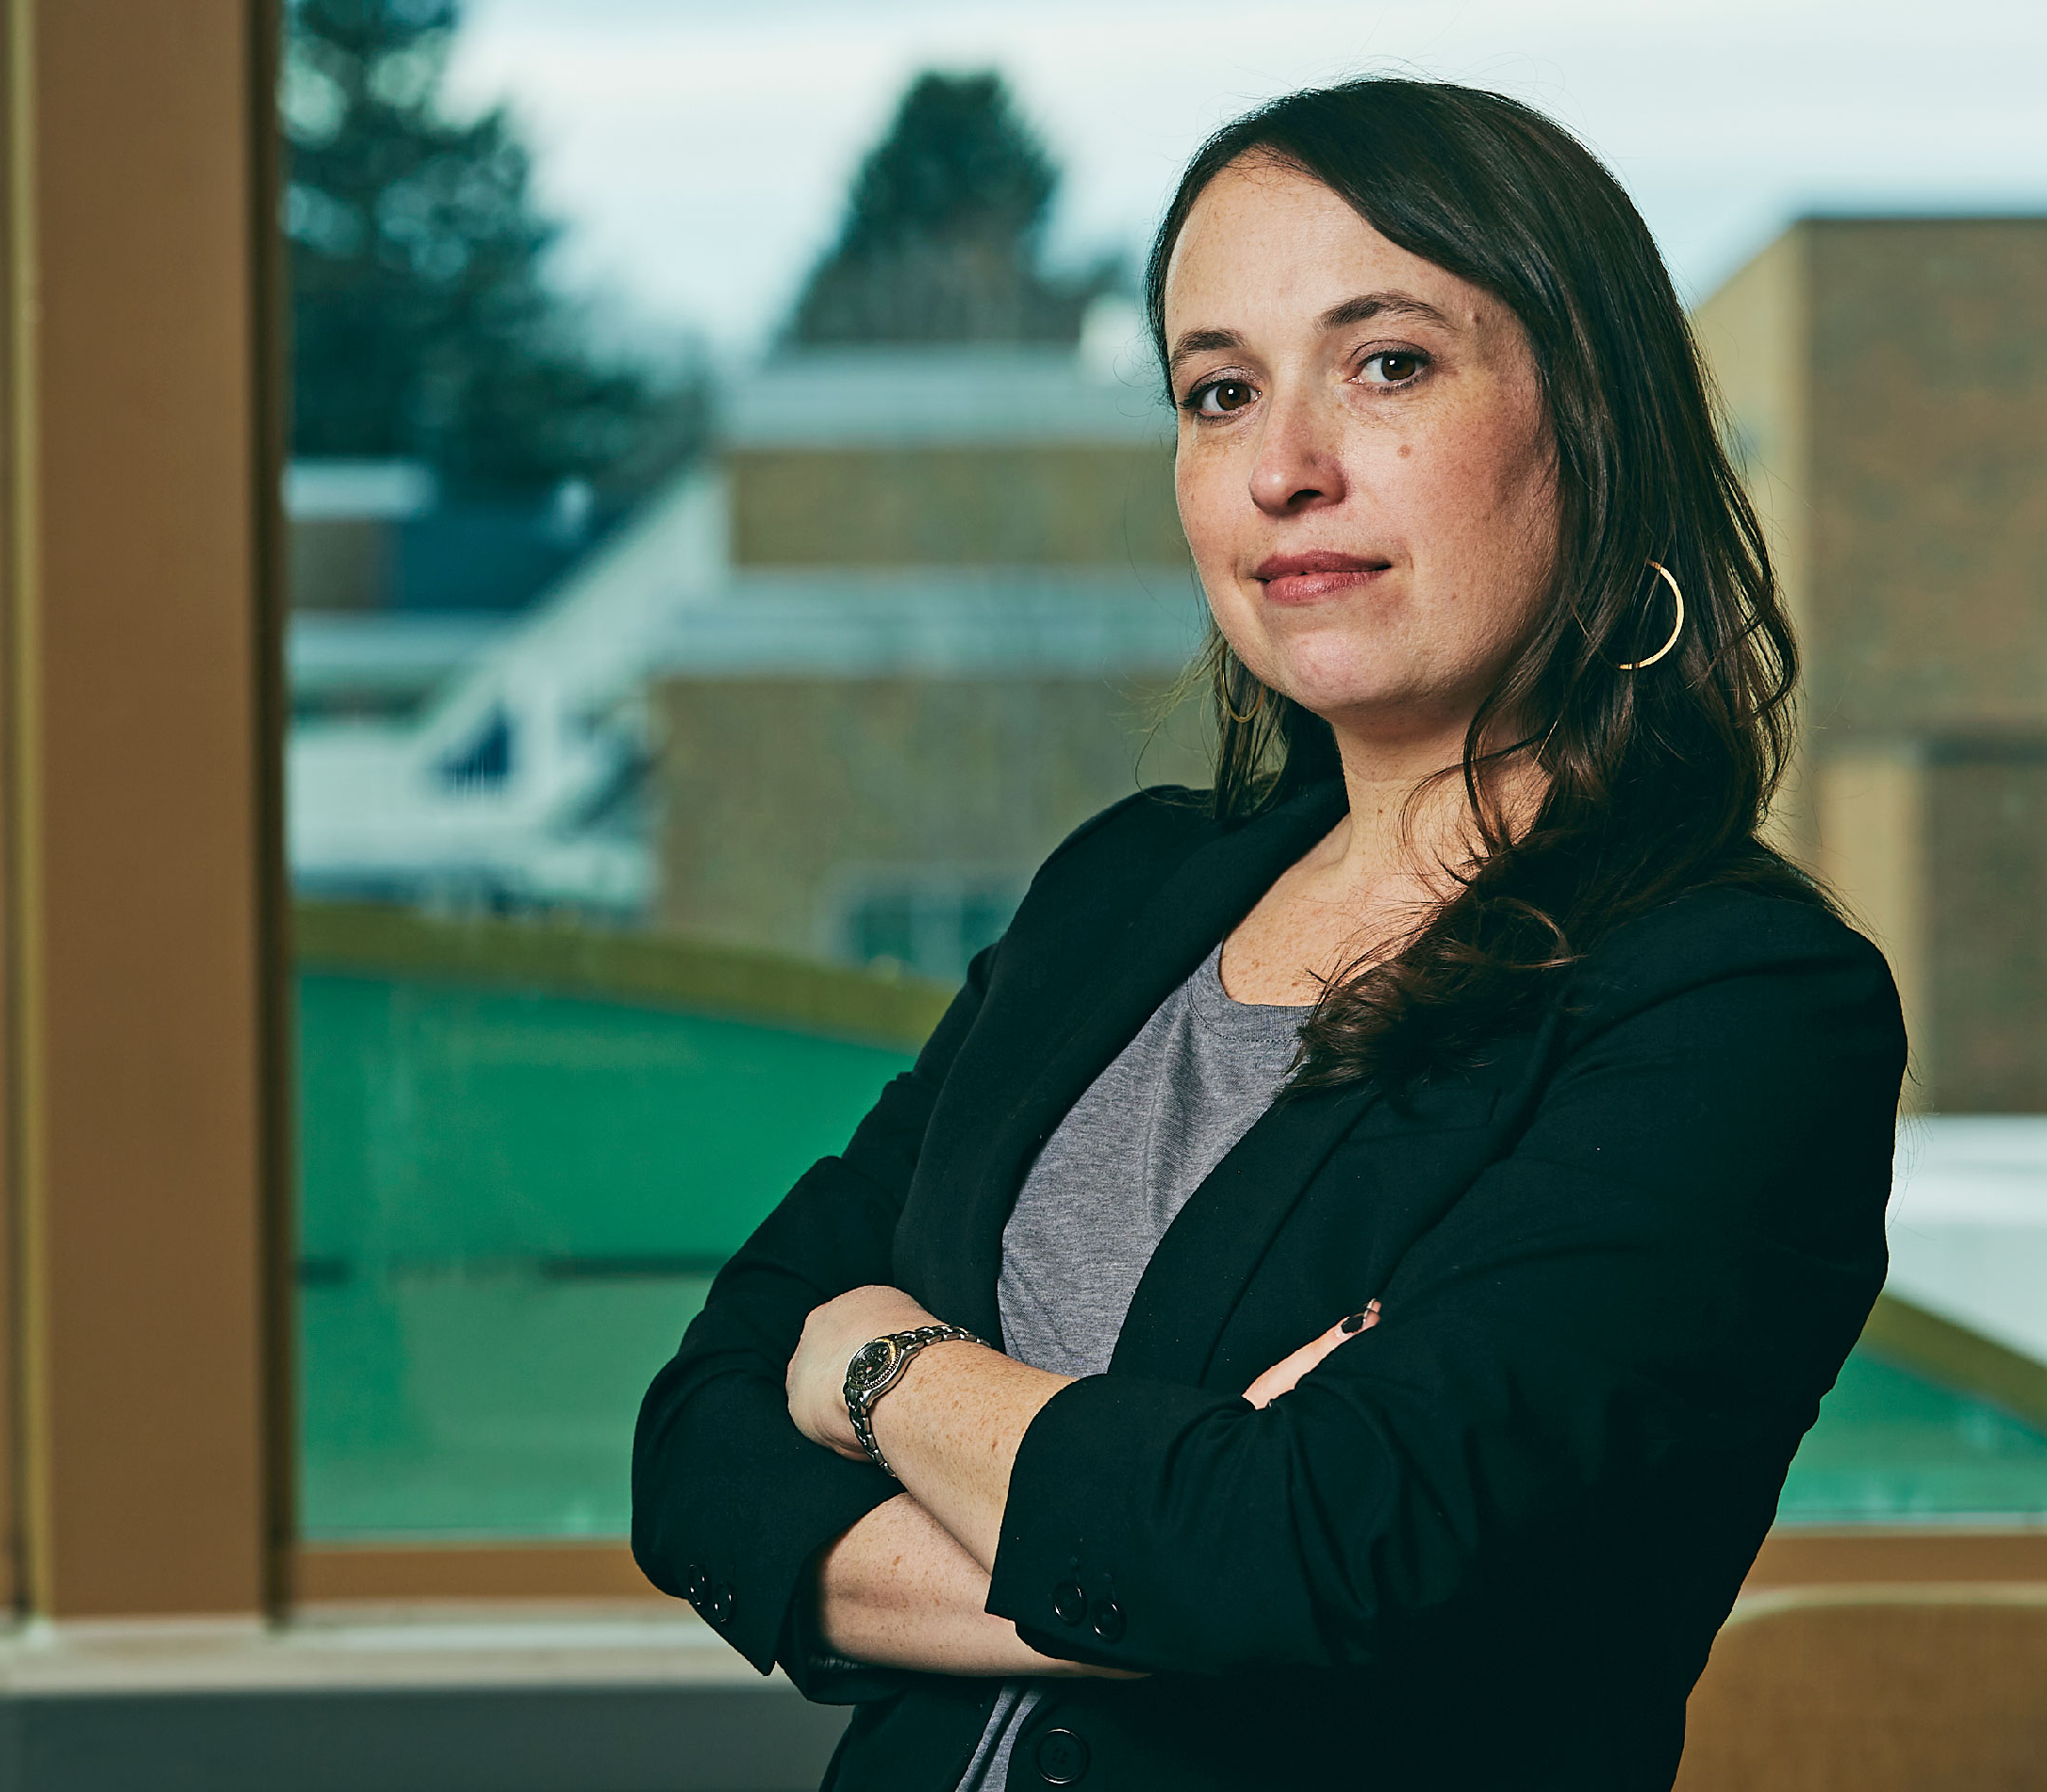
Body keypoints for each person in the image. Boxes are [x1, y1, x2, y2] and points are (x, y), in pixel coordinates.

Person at [630, 77, 1906, 1791]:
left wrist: (871, 1362)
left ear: (1592, 418)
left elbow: (1314, 1550)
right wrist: (1158, 1529)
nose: (1285, 468)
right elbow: (697, 1444)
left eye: (1387, 364)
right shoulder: (1118, 900)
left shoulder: (1736, 1006)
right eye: (1220, 392)